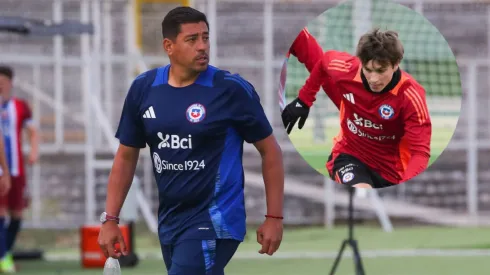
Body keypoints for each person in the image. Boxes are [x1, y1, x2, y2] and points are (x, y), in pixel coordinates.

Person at [98, 6, 285, 275]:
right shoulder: (144, 88)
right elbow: (126, 156)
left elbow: (270, 151)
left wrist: (274, 217)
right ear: (169, 46)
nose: (202, 46)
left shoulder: (230, 89)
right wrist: (110, 219)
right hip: (171, 222)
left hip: (215, 220)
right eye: (192, 39)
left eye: (205, 38)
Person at [281, 28, 431, 189]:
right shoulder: (345, 69)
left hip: (391, 171)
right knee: (361, 193)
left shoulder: (410, 95)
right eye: (368, 69)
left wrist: (407, 184)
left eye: (381, 71)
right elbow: (324, 62)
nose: (374, 78)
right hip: (349, 155)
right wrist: (304, 100)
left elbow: (420, 153)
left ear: (395, 65)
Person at [0, 65, 39, 273]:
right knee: (1, 212)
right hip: (1, 170)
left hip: (16, 169)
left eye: (3, 83)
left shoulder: (20, 106)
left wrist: (34, 151)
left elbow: (33, 131)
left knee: (16, 214)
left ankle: (4, 252)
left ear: (10, 84)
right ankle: (4, 257)